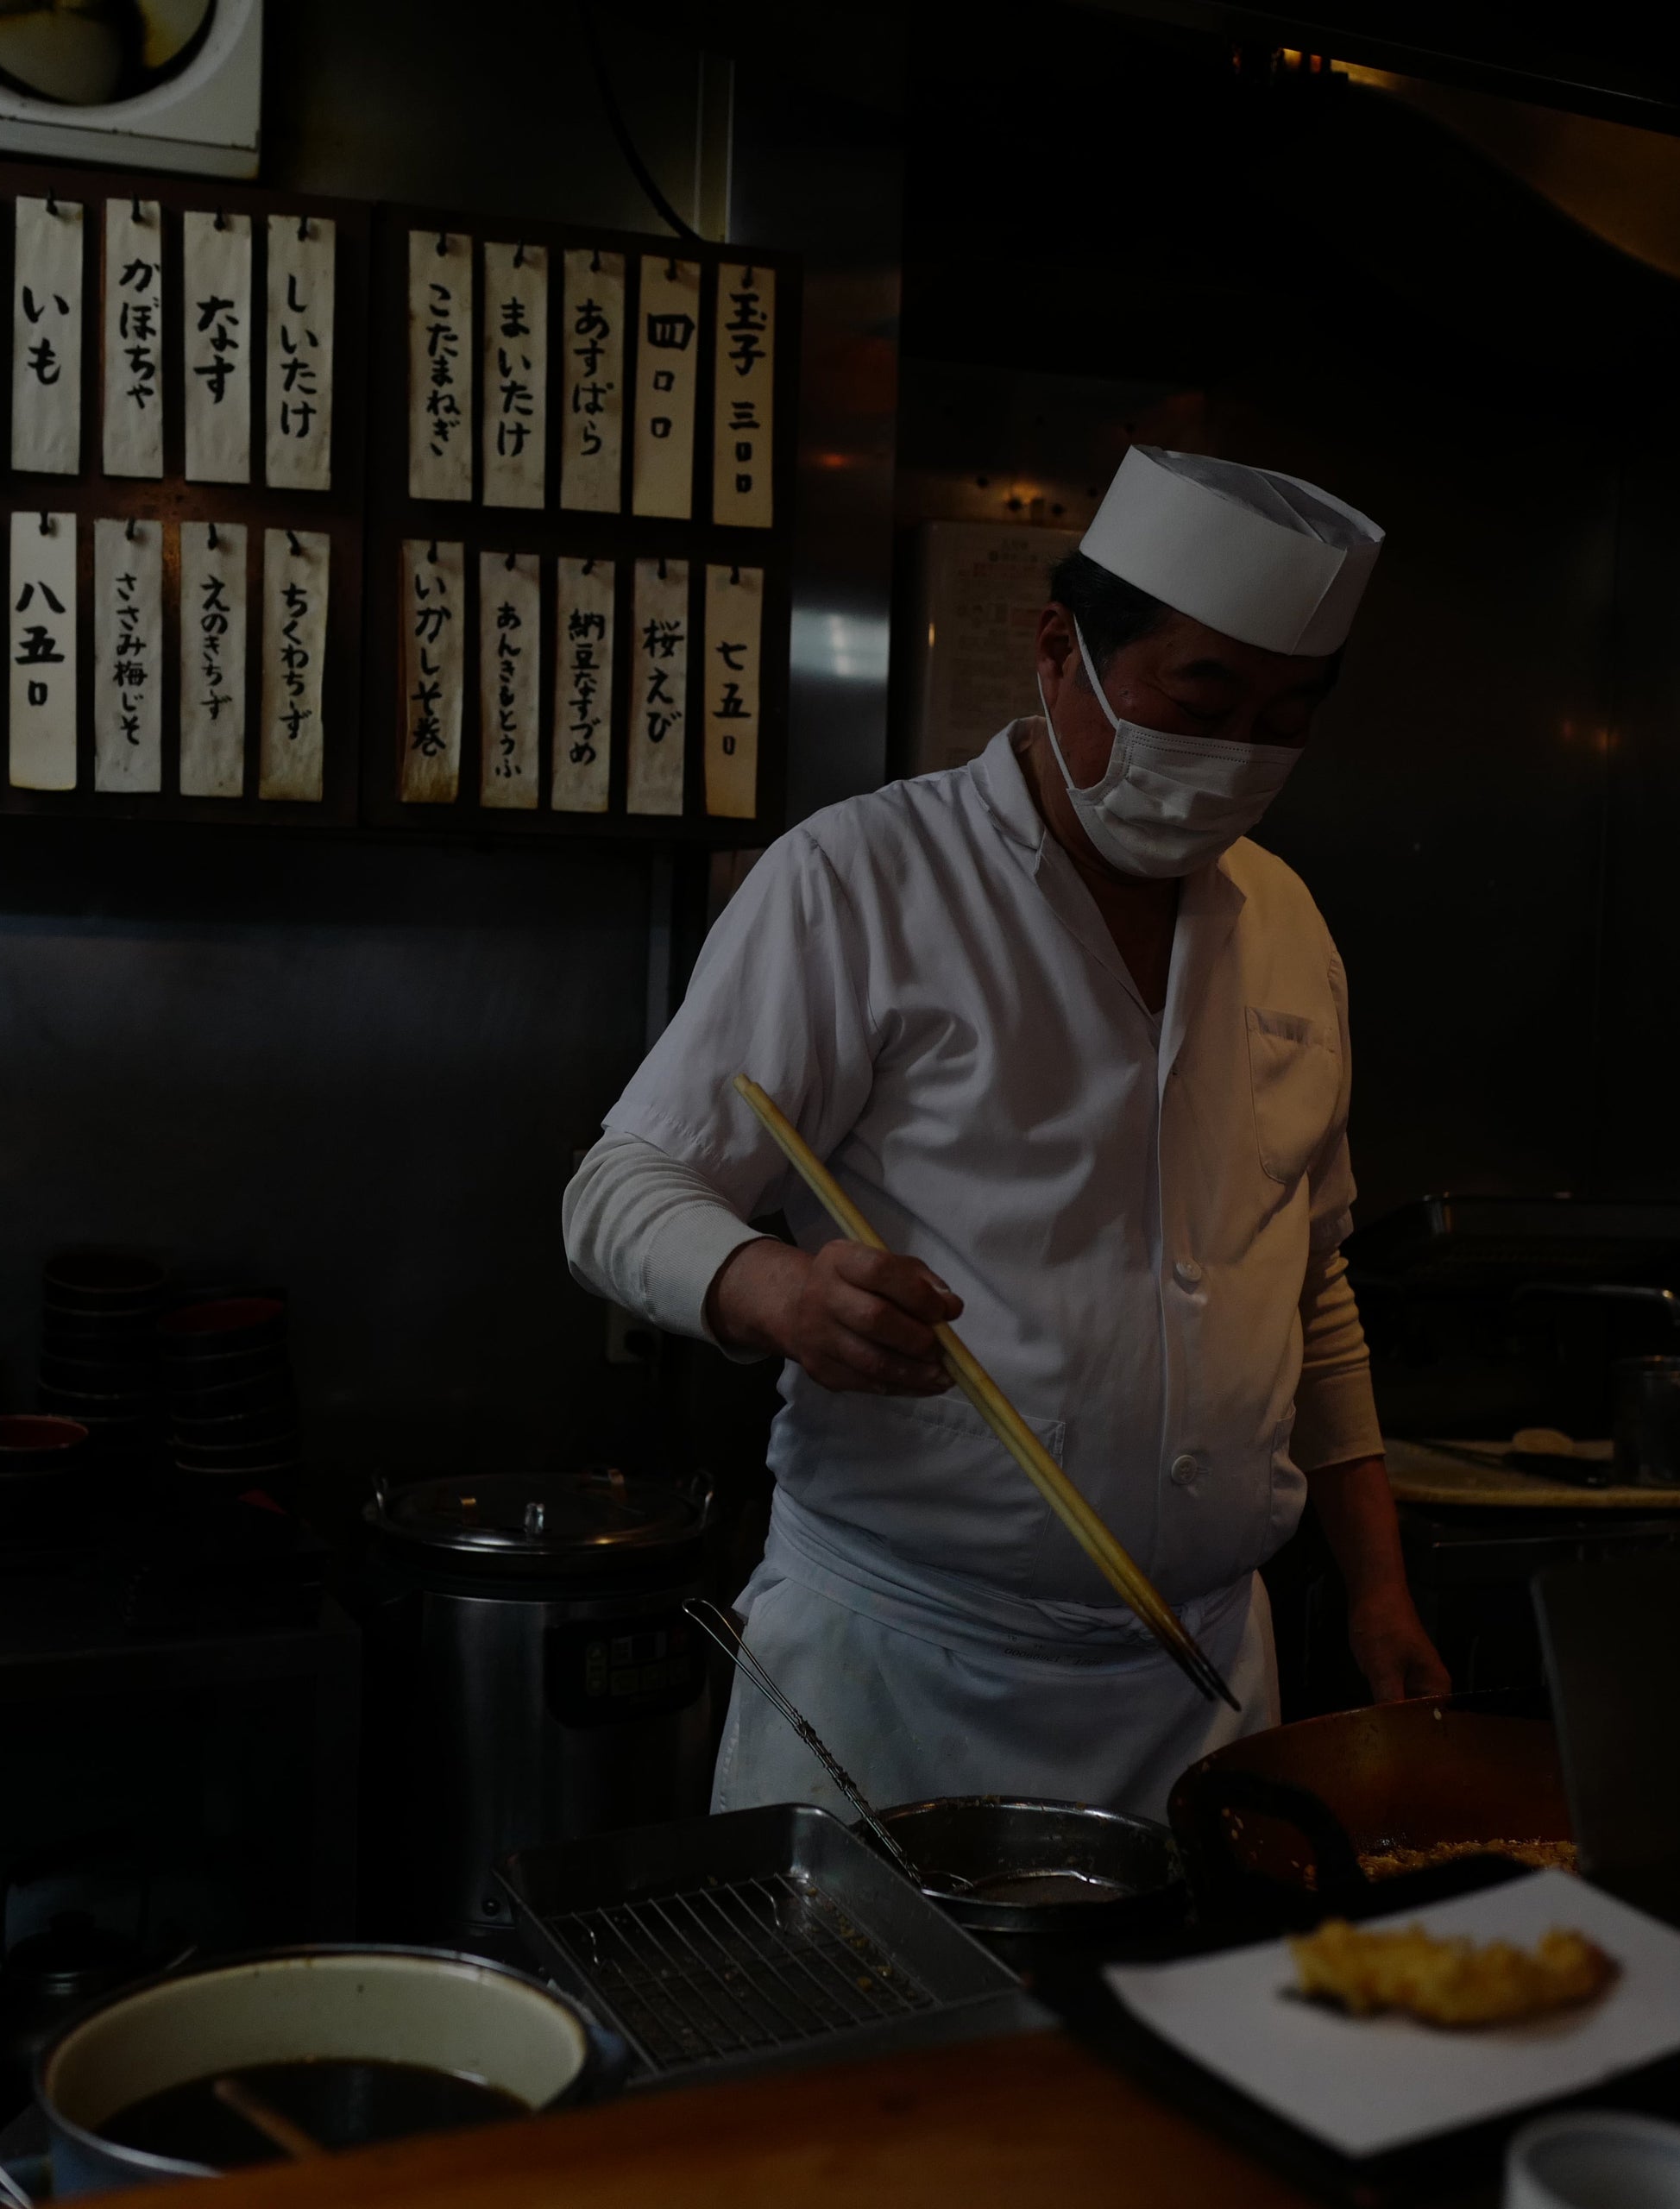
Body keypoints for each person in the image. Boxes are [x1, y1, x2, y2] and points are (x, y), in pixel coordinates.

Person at [562, 445, 1449, 1823]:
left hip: (1201, 1683)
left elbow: (1309, 1283)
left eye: (1285, 717)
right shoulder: (859, 878)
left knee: (1175, 2035)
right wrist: (776, 1290)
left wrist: (1380, 1589)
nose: (1239, 754)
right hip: (902, 1677)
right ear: (1059, 649)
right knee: (883, 2042)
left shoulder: (1286, 922)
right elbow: (618, 1191)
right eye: (1202, 696)